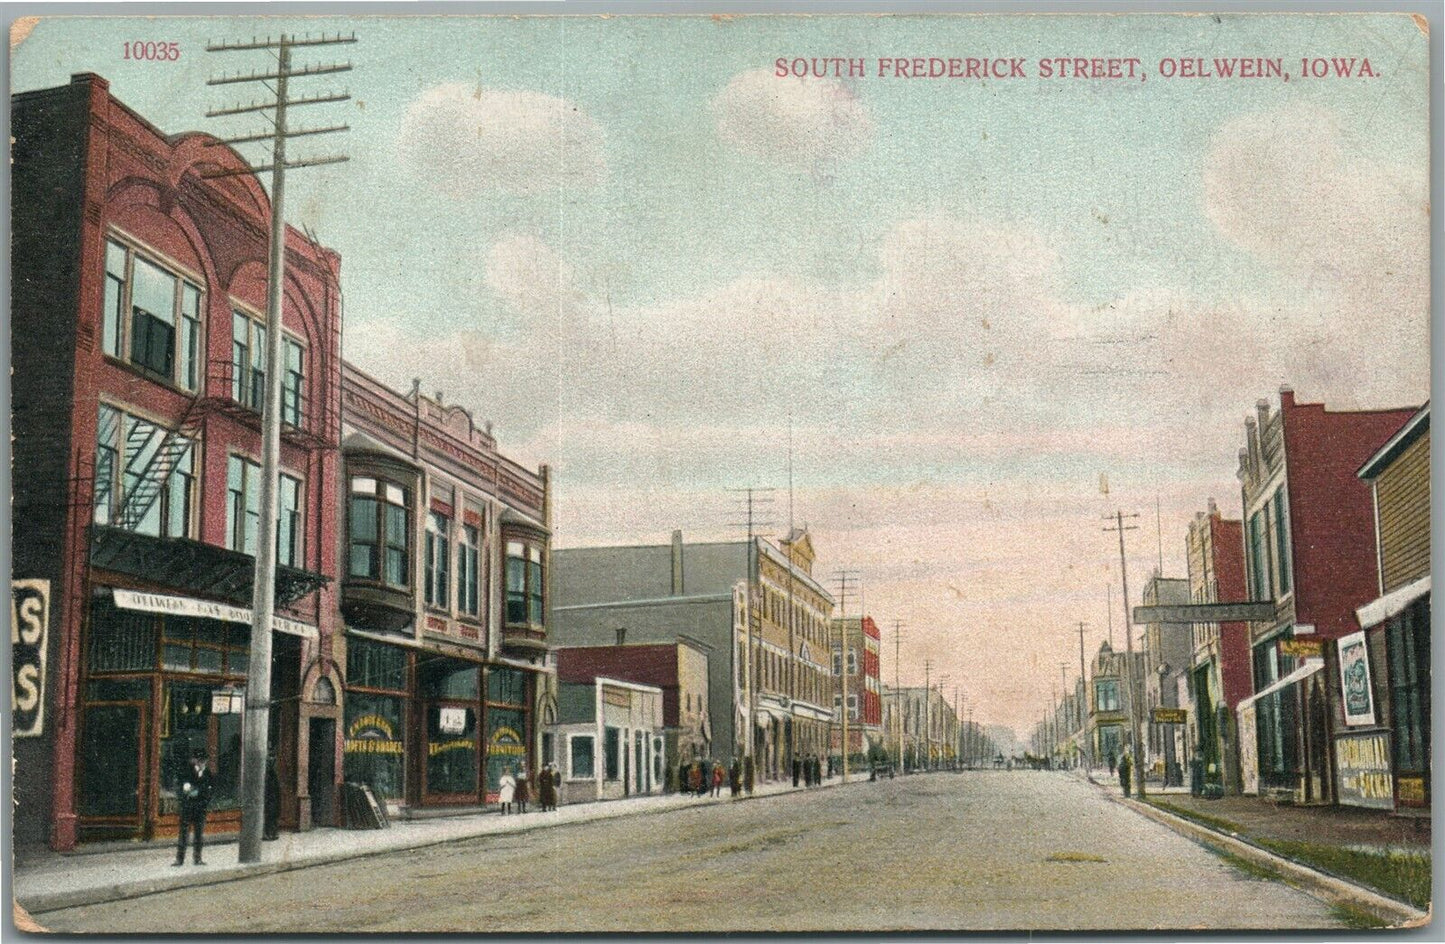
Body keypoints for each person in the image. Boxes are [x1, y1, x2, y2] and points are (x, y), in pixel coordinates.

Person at [173, 747, 214, 866]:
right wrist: (186, 797)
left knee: (198, 835)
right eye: (199, 761)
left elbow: (210, 790)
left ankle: (197, 858)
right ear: (195, 760)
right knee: (183, 834)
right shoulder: (187, 771)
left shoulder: (207, 773)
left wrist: (202, 798)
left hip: (200, 808)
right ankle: (179, 859)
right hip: (187, 807)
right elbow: (181, 788)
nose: (202, 763)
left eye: (203, 761)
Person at [263, 752, 282, 841]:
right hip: (270, 798)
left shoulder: (272, 775)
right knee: (270, 816)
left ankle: (271, 833)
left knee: (272, 816)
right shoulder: (270, 775)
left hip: (272, 798)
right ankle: (270, 833)